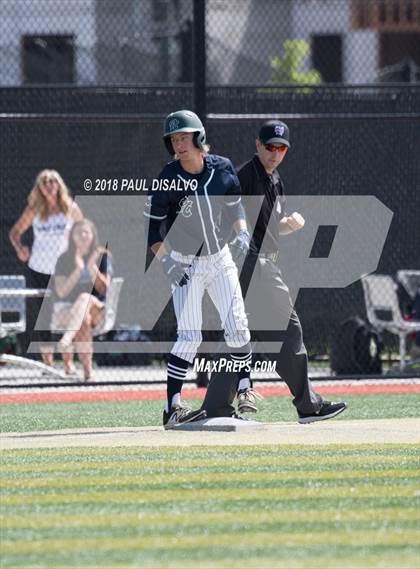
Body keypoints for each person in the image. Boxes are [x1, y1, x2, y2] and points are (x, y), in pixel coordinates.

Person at [201, 120, 347, 423]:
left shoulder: (275, 180)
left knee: (239, 337)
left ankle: (215, 407)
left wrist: (288, 225)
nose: (275, 153)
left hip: (258, 264)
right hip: (251, 265)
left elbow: (265, 227)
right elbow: (223, 217)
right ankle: (309, 405)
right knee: (289, 330)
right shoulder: (245, 176)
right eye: (270, 146)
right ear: (258, 145)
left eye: (281, 148)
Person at [144, 109, 260, 429]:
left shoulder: (221, 169)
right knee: (190, 335)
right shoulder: (168, 177)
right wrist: (166, 261)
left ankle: (245, 388)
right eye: (174, 139)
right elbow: (153, 233)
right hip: (183, 261)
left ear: (199, 138)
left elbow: (235, 205)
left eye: (184, 137)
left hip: (219, 257)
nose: (179, 144)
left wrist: (241, 231)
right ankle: (173, 407)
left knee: (237, 324)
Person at [9, 169, 83, 373]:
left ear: (59, 185)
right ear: (39, 188)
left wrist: (78, 254)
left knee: (68, 314)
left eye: (53, 181)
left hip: (64, 269)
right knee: (45, 316)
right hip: (38, 269)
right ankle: (49, 365)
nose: (49, 184)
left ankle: (68, 364)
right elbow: (15, 233)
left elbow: (85, 233)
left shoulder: (70, 208)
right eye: (44, 182)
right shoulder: (35, 209)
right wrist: (20, 249)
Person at [53, 219, 111, 380]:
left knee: (85, 298)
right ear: (72, 237)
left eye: (87, 232)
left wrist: (92, 266)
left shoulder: (101, 256)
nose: (83, 235)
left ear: (93, 235)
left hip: (97, 310)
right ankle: (88, 373)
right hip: (69, 310)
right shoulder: (63, 259)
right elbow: (62, 292)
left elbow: (104, 289)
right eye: (79, 232)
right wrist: (78, 269)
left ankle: (67, 340)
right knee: (83, 319)